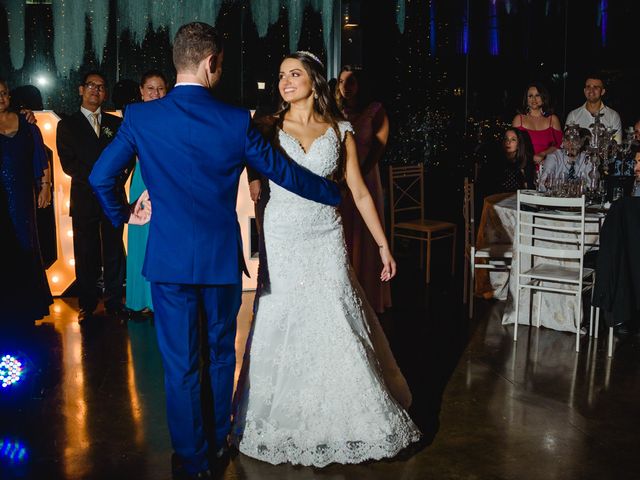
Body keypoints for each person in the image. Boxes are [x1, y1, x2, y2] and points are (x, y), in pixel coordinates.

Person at [89, 23, 342, 479]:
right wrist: (335, 194)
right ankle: (219, 441)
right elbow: (284, 172)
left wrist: (125, 214)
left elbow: (99, 178)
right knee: (222, 354)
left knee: (181, 367)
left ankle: (192, 461)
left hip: (167, 263)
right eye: (221, 64)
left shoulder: (141, 117)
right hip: (220, 260)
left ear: (178, 61)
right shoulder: (233, 121)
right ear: (210, 63)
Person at [232, 51, 420, 467]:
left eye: (294, 74)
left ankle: (349, 413)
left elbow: (359, 190)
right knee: (281, 314)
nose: (285, 81)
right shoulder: (267, 127)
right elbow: (246, 168)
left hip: (324, 235)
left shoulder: (341, 129)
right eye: (281, 75)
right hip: (281, 233)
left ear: (313, 80)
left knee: (335, 312)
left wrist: (383, 244)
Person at [56, 71, 129, 323]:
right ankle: (87, 303)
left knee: (114, 251)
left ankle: (114, 301)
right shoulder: (67, 125)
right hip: (85, 198)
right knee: (85, 251)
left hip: (112, 198)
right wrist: (100, 179)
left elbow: (126, 157)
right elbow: (69, 164)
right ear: (80, 90)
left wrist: (113, 181)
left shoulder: (115, 124)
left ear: (105, 93)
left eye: (100, 87)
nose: (95, 90)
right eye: (90, 86)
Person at [335, 65, 392, 313]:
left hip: (366, 178)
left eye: (351, 82)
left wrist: (357, 174)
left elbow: (379, 148)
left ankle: (368, 295)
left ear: (360, 85)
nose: (345, 87)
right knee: (344, 233)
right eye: (341, 82)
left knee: (366, 235)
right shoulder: (334, 112)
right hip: (339, 181)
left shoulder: (375, 110)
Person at [0, 78, 53, 324]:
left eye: (4, 93)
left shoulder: (27, 122)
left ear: (10, 96)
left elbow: (40, 158)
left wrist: (45, 186)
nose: (1, 98)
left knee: (27, 245)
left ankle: (28, 306)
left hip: (22, 196)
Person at [125, 70, 168, 316]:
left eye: (160, 88)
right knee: (141, 235)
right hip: (143, 179)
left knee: (161, 236)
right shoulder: (133, 115)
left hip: (166, 179)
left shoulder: (172, 117)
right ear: (141, 91)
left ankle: (157, 301)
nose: (155, 93)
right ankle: (139, 299)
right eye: (150, 88)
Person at [512, 82, 562, 165]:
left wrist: (543, 154)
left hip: (548, 168)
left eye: (537, 95)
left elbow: (560, 146)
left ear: (543, 97)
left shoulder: (553, 119)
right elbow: (513, 149)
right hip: (524, 168)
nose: (534, 99)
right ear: (526, 99)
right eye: (530, 96)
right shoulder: (518, 119)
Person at [565, 74, 622, 144]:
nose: (591, 90)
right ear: (584, 90)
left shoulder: (613, 116)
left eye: (596, 87)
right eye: (588, 87)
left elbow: (617, 144)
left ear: (603, 91)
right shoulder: (573, 115)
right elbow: (566, 144)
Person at [478, 128, 535, 197]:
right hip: (497, 201)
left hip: (517, 202)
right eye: (506, 139)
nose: (508, 142)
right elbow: (485, 187)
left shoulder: (525, 162)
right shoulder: (495, 161)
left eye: (513, 139)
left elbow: (529, 189)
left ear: (519, 144)